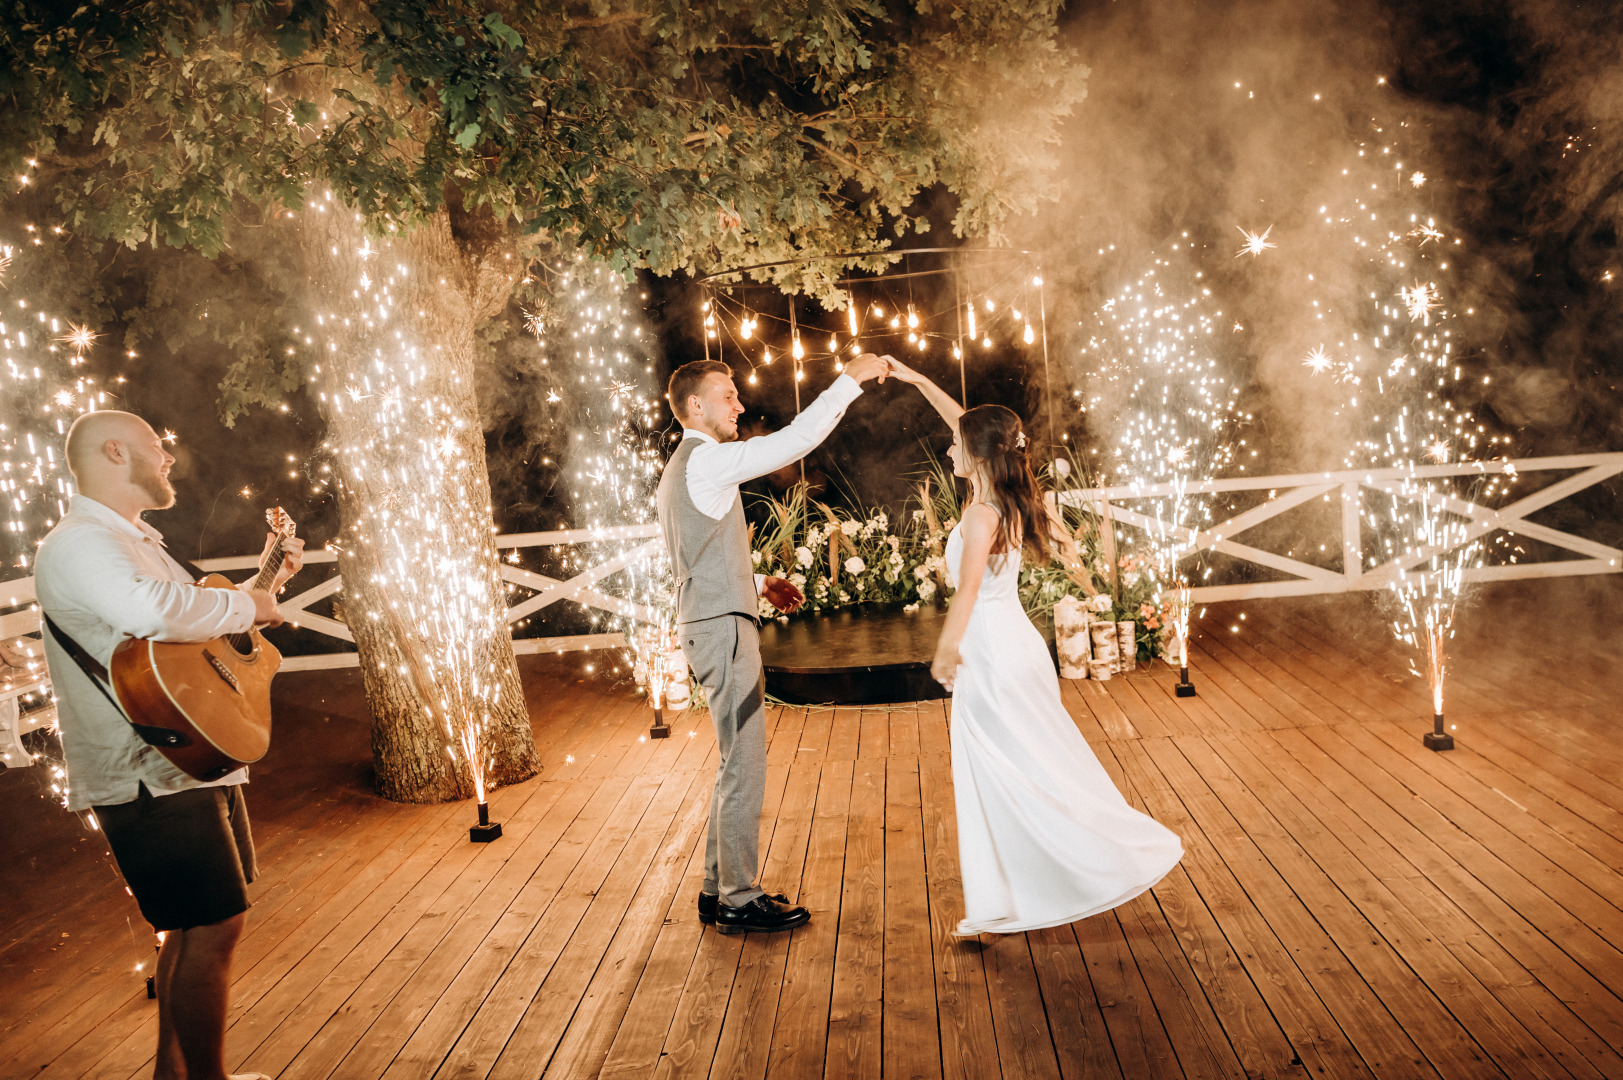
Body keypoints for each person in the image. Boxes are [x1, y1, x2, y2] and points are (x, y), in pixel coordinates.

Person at [34, 410, 302, 1080]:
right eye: (160, 446)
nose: (169, 459)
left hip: (188, 757)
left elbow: (196, 633)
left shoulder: (137, 542)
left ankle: (172, 1077)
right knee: (213, 926)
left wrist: (266, 587)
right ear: (117, 451)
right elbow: (149, 612)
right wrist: (247, 605)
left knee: (193, 926)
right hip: (147, 771)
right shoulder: (79, 543)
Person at [885, 358, 1184, 935]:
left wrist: (946, 650)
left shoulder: (979, 514)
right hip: (1019, 647)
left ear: (975, 455)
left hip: (991, 655)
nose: (948, 451)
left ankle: (1027, 891)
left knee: (1003, 772)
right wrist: (918, 381)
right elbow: (970, 426)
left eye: (955, 446)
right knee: (1035, 762)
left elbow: (968, 588)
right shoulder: (1011, 496)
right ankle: (1004, 899)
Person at [659, 353, 891, 934]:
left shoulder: (684, 470)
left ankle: (717, 890)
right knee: (746, 761)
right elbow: (795, 441)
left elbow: (698, 555)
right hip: (722, 631)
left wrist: (758, 582)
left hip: (712, 620)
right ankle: (740, 896)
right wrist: (850, 380)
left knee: (734, 758)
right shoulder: (705, 461)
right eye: (727, 395)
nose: (739, 405)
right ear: (695, 406)